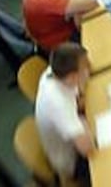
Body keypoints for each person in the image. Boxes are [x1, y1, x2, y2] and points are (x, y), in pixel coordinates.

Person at [35, 43, 94, 185]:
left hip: (75, 134)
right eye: (85, 68)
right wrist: (85, 123)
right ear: (73, 77)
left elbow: (79, 97)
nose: (89, 70)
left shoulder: (55, 71)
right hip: (72, 160)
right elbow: (87, 148)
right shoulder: (57, 103)